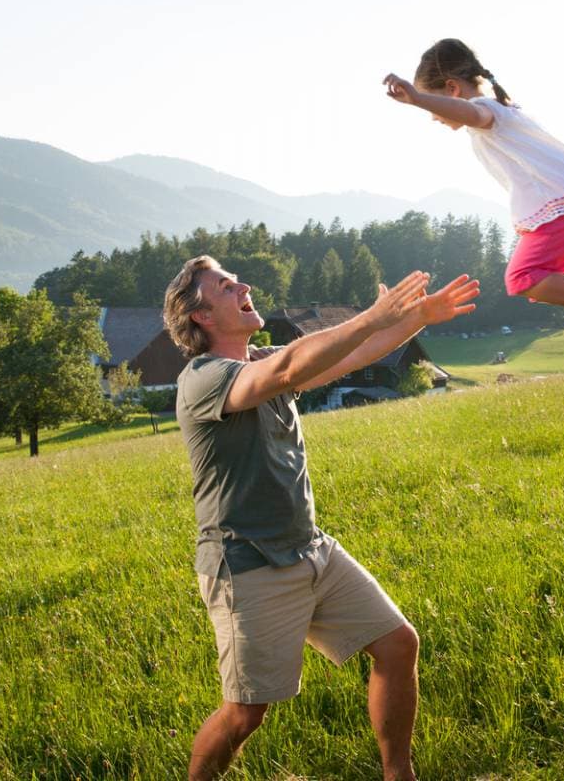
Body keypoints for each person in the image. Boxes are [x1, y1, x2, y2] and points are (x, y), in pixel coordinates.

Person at [164, 256, 479, 780]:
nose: (243, 285)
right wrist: (377, 315)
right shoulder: (203, 380)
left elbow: (348, 355)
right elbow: (288, 369)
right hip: (247, 564)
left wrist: (417, 318)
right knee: (246, 713)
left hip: (310, 548)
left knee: (398, 643)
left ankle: (399, 775)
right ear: (201, 317)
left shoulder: (258, 361)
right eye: (224, 286)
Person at [383, 38, 564, 359]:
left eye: (435, 105)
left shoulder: (487, 112)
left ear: (452, 88)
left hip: (563, 201)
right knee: (547, 279)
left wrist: (418, 99)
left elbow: (471, 114)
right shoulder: (503, 112)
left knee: (523, 277)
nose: (434, 116)